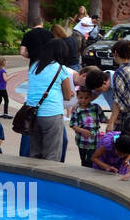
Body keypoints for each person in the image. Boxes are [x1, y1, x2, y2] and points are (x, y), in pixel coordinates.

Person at [21, 27, 73, 161]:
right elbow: (67, 96)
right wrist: (71, 93)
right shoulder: (60, 68)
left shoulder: (34, 66)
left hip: (33, 113)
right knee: (52, 154)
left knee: (35, 152)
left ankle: (33, 178)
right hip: (52, 114)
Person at [69, 85, 107, 168]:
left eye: (86, 98)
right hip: (82, 141)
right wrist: (83, 131)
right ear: (77, 97)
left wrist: (114, 120)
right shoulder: (77, 110)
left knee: (92, 159)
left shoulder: (96, 107)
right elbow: (72, 125)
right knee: (84, 160)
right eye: (81, 97)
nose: (83, 100)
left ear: (91, 97)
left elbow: (103, 119)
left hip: (95, 140)